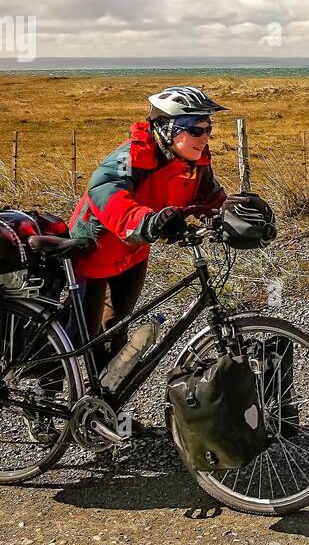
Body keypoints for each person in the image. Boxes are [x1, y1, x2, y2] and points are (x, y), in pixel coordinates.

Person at [68, 85, 229, 368]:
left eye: (208, 128)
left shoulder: (194, 163)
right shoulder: (132, 156)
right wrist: (148, 221)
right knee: (78, 339)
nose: (204, 137)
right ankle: (48, 393)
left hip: (133, 253)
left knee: (116, 331)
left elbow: (211, 198)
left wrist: (238, 215)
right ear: (166, 128)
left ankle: (102, 404)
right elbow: (107, 191)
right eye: (194, 129)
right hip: (94, 254)